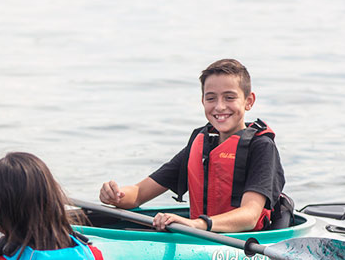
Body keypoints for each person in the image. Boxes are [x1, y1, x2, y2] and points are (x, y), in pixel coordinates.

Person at [99, 58, 287, 233]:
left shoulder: (261, 147)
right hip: (199, 235)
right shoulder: (201, 143)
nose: (220, 107)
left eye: (229, 97)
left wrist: (196, 224)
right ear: (202, 101)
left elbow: (250, 216)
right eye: (211, 98)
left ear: (249, 101)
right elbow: (139, 193)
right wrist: (116, 196)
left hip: (242, 243)